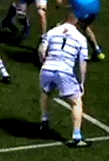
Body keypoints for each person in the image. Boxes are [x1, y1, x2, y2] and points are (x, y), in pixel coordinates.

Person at [38, 14, 90, 147]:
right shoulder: (80, 38)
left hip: (47, 68)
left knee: (45, 92)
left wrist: (44, 63)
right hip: (64, 71)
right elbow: (82, 63)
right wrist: (81, 82)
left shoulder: (52, 32)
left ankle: (44, 121)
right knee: (76, 102)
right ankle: (77, 137)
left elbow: (42, 51)